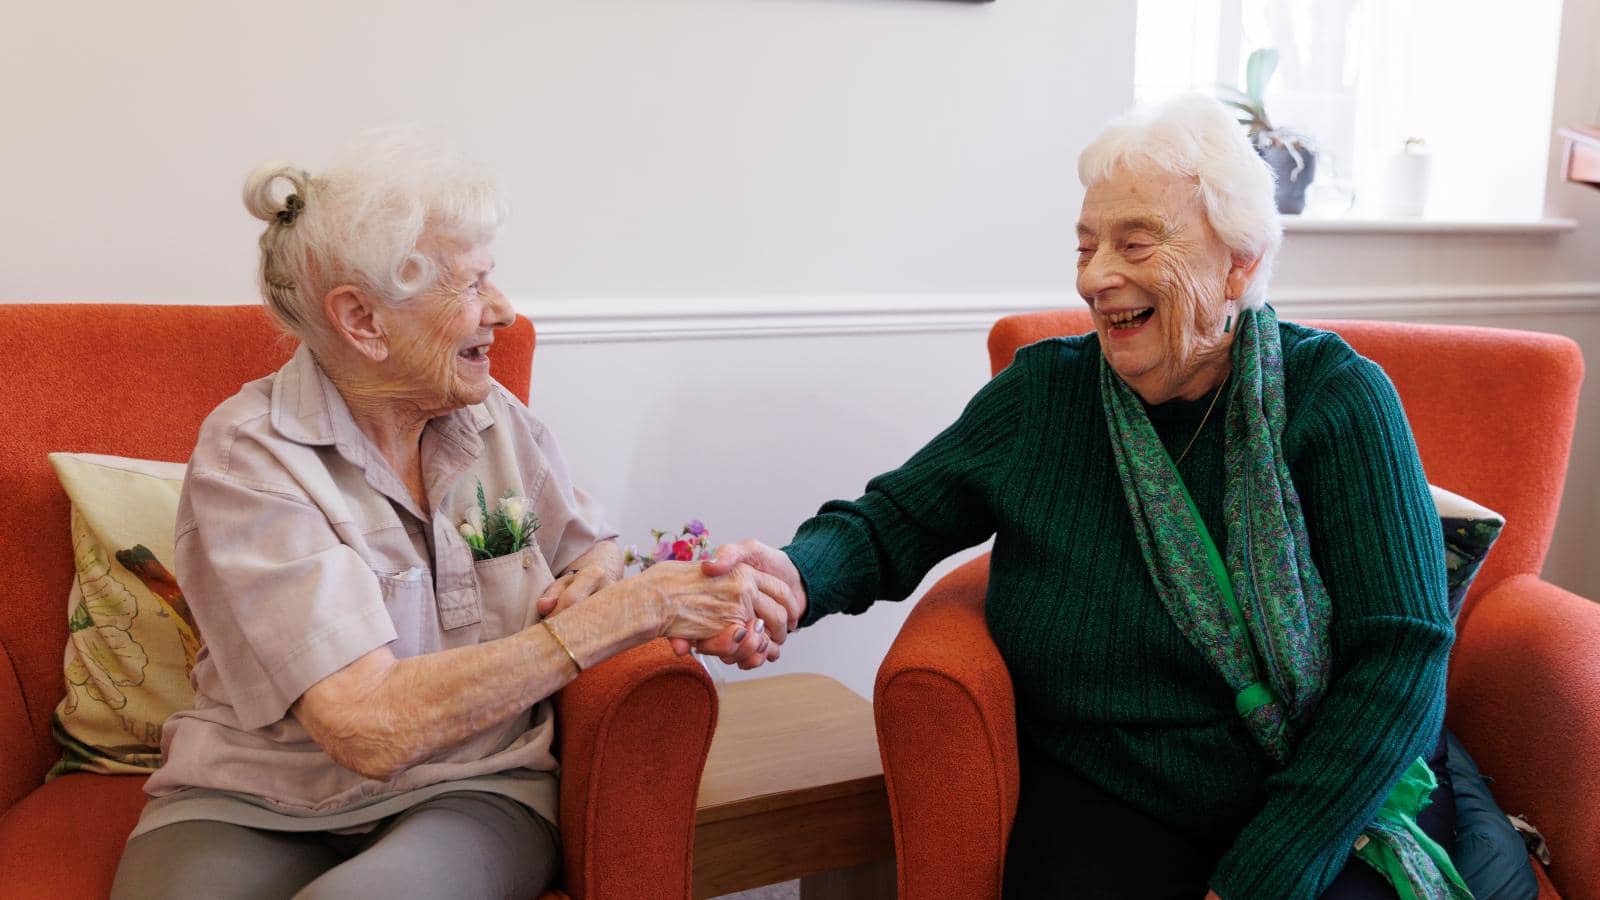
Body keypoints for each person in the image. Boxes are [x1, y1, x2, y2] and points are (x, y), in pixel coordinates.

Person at [698, 96, 1467, 899]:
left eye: (1135, 243)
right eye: (1086, 245)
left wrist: (1264, 876)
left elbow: (1403, 655)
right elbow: (892, 522)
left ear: (1238, 262)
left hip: (1328, 788)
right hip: (1114, 791)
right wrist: (791, 575)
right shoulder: (1046, 395)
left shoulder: (1338, 398)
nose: (1097, 277)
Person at [109, 132, 792, 900]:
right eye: (471, 286)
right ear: (363, 320)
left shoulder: (496, 417)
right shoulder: (252, 459)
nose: (501, 311)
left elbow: (588, 549)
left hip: (472, 784)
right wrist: (636, 608)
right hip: (251, 796)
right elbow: (365, 726)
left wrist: (602, 581)